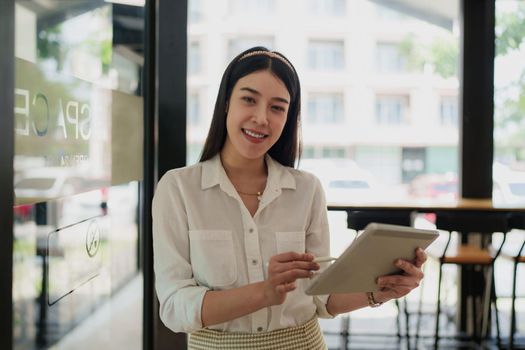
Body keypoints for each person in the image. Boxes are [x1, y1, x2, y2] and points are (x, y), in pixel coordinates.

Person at [152, 46, 427, 350]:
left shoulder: (307, 189)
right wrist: (263, 293)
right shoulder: (178, 189)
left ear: (288, 117)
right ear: (226, 101)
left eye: (277, 107)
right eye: (249, 99)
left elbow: (322, 298)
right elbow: (174, 307)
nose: (261, 118)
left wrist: (384, 291)